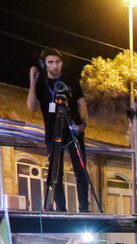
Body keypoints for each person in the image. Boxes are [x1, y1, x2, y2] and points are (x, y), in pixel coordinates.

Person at [25, 48, 90, 212]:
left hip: (73, 130)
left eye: (57, 62)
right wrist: (32, 82)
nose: (55, 66)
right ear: (44, 64)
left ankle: (84, 206)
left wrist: (82, 124)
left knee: (80, 169)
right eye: (50, 62)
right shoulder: (41, 84)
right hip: (53, 132)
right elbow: (31, 107)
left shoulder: (70, 81)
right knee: (55, 171)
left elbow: (81, 103)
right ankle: (60, 206)